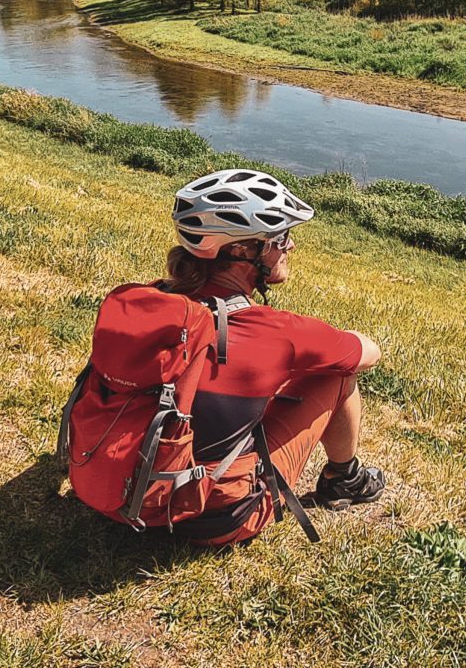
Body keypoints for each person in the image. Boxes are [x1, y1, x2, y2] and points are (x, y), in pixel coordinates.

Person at [163, 169, 387, 546]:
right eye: (280, 237)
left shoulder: (154, 301)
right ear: (241, 251)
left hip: (120, 488)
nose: (290, 247)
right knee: (337, 374)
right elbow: (367, 353)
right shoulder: (270, 330)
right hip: (213, 517)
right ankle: (344, 480)